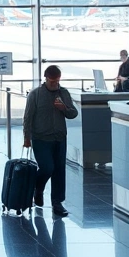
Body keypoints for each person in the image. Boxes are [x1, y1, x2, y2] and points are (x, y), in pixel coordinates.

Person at [23, 65, 78, 217]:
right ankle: (38, 188)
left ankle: (57, 202)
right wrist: (27, 137)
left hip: (59, 138)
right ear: (46, 78)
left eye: (57, 81)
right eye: (52, 81)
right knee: (47, 167)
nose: (55, 84)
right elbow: (28, 117)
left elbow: (73, 113)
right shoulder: (36, 94)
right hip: (41, 138)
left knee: (59, 170)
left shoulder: (64, 93)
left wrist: (64, 108)